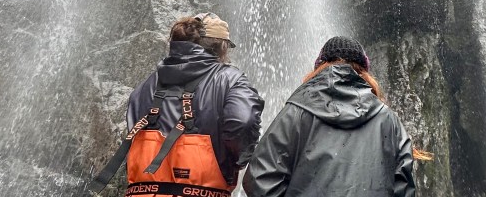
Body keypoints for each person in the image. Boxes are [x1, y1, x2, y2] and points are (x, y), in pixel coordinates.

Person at [90, 12, 264, 196]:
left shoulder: (147, 84)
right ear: (222, 46)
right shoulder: (230, 79)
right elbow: (244, 122)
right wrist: (237, 160)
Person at [242, 36, 417, 197]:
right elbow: (405, 185)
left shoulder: (296, 111)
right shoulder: (388, 119)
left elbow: (259, 178)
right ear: (364, 71)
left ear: (319, 66)